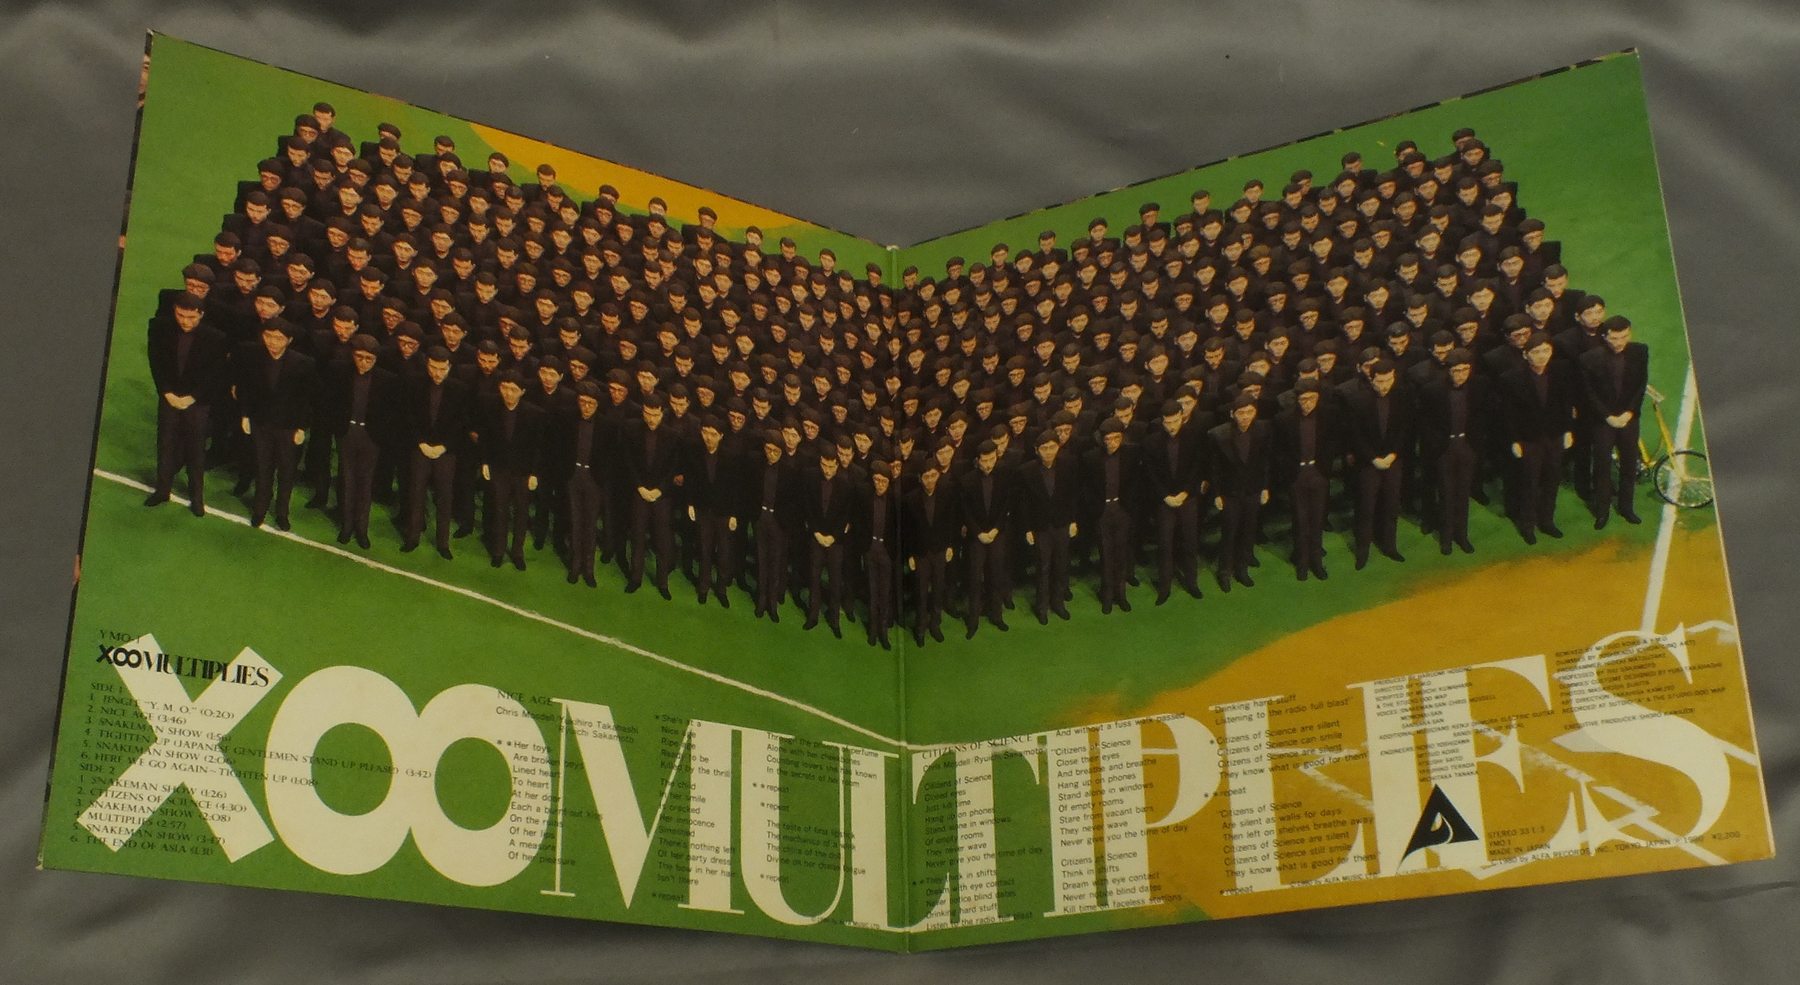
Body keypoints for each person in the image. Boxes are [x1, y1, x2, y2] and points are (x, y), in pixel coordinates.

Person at [145, 292, 227, 517]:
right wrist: (166, 392)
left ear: (201, 314)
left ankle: (196, 498)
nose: (185, 321)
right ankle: (162, 490)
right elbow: (156, 362)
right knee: (165, 445)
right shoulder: (160, 328)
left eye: (191, 317)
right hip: (169, 398)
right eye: (180, 315)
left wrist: (193, 397)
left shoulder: (215, 338)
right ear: (174, 311)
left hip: (198, 404)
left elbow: (215, 373)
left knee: (195, 451)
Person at [236, 321, 317, 530]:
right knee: (262, 469)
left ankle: (282, 513)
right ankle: (260, 509)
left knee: (286, 472)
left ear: (289, 340)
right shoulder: (254, 358)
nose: (272, 342)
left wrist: (302, 428)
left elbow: (307, 399)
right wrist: (245, 415)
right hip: (261, 423)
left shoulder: (303, 363)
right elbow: (246, 389)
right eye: (268, 336)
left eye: (278, 338)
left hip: (288, 427)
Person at [1500, 332, 1577, 543]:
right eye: (1536, 352)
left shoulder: (1560, 372)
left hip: (1554, 436)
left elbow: (1566, 404)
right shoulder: (1511, 379)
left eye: (1546, 351)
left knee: (1552, 480)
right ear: (1526, 355)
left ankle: (1547, 521)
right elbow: (1508, 414)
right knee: (1530, 482)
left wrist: (1568, 431)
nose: (1542, 356)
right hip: (1529, 439)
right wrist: (1514, 440)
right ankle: (1527, 525)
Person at [323, 335, 395, 547]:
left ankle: (361, 529)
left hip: (370, 436)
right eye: (359, 357)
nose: (363, 362)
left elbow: (390, 413)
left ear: (376, 359)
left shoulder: (386, 380)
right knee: (346, 480)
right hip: (347, 432)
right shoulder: (340, 372)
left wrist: (379, 435)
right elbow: (331, 402)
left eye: (368, 359)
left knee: (365, 483)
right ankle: (346, 526)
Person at [1341, 358, 1412, 568]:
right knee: (1366, 508)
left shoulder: (1402, 397)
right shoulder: (1357, 401)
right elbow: (1355, 436)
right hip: (1367, 464)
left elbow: (1404, 430)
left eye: (1389, 380)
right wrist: (1373, 459)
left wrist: (1392, 455)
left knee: (1391, 506)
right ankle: (1362, 550)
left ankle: (1389, 545)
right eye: (1380, 381)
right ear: (1371, 380)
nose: (1385, 385)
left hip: (1392, 461)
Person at [1579, 316, 1649, 528]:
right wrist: (1607, 416)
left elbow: (1641, 384)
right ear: (1604, 337)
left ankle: (1627, 508)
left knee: (1629, 464)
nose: (1619, 342)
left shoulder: (1640, 351)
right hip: (1603, 421)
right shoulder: (1589, 359)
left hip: (1628, 418)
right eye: (1614, 338)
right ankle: (1602, 511)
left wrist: (1630, 412)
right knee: (1602, 466)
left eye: (1624, 337)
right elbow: (1589, 393)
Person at [1417, 348, 1488, 554]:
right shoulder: (1432, 390)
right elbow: (1425, 423)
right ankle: (1446, 538)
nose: (1461, 375)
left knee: (1463, 493)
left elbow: (1481, 416)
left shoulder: (1477, 387)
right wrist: (1436, 446)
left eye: (1465, 370)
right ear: (1448, 370)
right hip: (1444, 449)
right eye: (1457, 370)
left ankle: (1462, 535)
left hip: (1466, 446)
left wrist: (1475, 444)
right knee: (1446, 494)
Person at [401, 346, 469, 559]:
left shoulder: (459, 390)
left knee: (444, 497)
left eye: (442, 369)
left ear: (449, 368)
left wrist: (443, 446)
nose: (437, 373)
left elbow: (461, 423)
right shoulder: (414, 384)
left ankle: (443, 543)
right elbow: (409, 416)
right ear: (427, 365)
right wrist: (420, 443)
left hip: (445, 452)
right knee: (416, 494)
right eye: (433, 368)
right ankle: (412, 537)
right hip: (420, 448)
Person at [478, 371, 543, 570]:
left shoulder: (534, 413)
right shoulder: (490, 408)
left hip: (522, 472)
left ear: (522, 392)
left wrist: (534, 473)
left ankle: (517, 552)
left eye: (513, 390)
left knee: (521, 514)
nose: (508, 393)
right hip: (499, 468)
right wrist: (485, 462)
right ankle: (498, 551)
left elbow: (538, 447)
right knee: (499, 511)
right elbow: (485, 438)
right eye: (504, 388)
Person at [1209, 392, 1273, 590]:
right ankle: (1224, 572)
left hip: (1253, 490)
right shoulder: (1219, 435)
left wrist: (1265, 487)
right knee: (1229, 534)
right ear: (1232, 414)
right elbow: (1214, 468)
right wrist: (1216, 494)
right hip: (1229, 493)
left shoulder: (1262, 430)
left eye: (1249, 412)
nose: (1245, 417)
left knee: (1248, 532)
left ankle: (1242, 569)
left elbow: (1265, 462)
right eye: (1241, 413)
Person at [1143, 400, 1204, 601]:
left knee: (1190, 542)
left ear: (1182, 418)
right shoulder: (1151, 442)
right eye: (1167, 422)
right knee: (1164, 544)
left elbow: (1197, 467)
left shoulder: (1194, 436)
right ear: (1162, 421)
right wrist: (1165, 496)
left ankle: (1192, 582)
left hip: (1188, 498)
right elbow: (1150, 474)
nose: (1171, 426)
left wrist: (1185, 493)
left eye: (1175, 421)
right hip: (1164, 501)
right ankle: (1165, 586)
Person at [1274, 378, 1335, 580]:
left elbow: (1333, 442)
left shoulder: (1328, 415)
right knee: (1300, 520)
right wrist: (1288, 472)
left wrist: (1324, 467)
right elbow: (1279, 450)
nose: (1307, 403)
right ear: (1297, 399)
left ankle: (1316, 561)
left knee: (1317, 519)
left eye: (1312, 399)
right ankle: (1302, 561)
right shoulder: (1284, 419)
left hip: (1318, 472)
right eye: (1303, 399)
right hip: (1297, 475)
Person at [1018, 429, 1079, 624]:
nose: (1049, 452)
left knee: (1061, 565)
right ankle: (1042, 607)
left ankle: (1058, 603)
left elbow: (1072, 496)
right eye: (1044, 448)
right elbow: (1023, 504)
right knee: (1043, 568)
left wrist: (1073, 521)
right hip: (1040, 527)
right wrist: (1027, 529)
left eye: (1052, 447)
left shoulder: (1068, 465)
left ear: (1058, 447)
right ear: (1037, 450)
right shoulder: (1026, 471)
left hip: (1062, 524)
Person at [622, 391, 679, 597]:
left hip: (661, 496)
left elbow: (673, 468)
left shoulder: (672, 436)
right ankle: (635, 578)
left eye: (655, 415)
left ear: (662, 414)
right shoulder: (632, 430)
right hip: (639, 492)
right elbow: (628, 461)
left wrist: (659, 490)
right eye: (647, 414)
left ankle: (662, 582)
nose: (651, 419)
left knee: (662, 540)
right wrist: (639, 487)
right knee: (637, 537)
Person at [959, 439, 1013, 637]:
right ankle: (973, 620)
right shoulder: (967, 481)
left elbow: (1006, 506)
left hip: (996, 533)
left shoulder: (1004, 476)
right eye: (984, 461)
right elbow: (965, 512)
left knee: (996, 575)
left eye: (991, 460)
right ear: (977, 461)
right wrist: (978, 533)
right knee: (975, 578)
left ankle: (996, 615)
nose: (988, 464)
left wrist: (996, 530)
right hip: (977, 536)